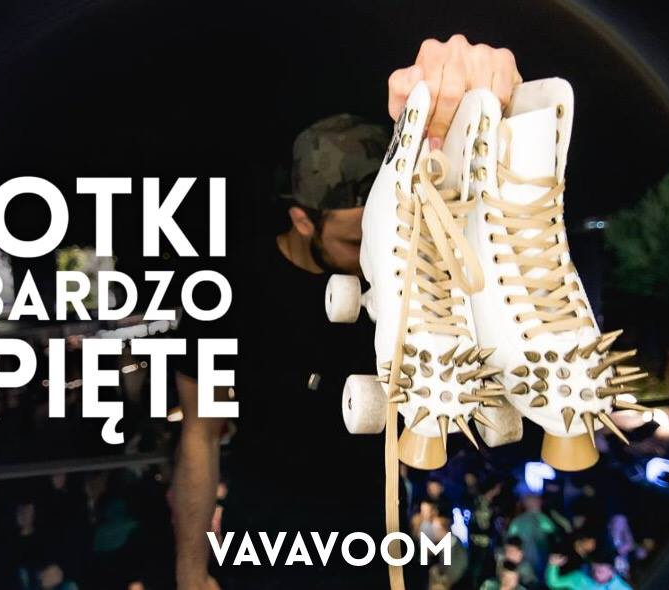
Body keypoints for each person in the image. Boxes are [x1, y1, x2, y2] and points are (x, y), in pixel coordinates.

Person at [171, 35, 523, 590]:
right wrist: (191, 569)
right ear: (302, 220)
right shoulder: (230, 292)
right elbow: (201, 432)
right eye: (356, 241)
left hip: (375, 534)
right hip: (265, 536)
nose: (370, 257)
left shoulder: (400, 273)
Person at [506, 492, 558, 582]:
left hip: (526, 558)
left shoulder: (517, 520)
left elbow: (510, 536)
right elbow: (552, 529)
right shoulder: (541, 518)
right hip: (538, 558)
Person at [544, 548, 631, 590]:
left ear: (611, 571)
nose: (596, 574)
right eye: (593, 570)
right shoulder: (579, 578)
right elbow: (555, 583)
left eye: (600, 571)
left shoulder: (621, 588)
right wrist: (553, 566)